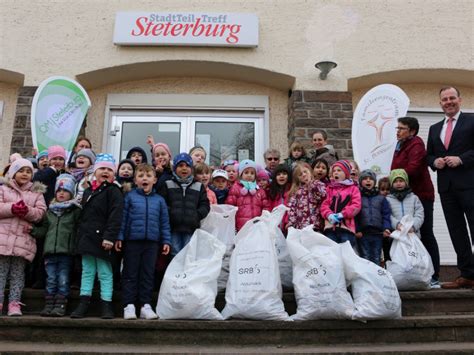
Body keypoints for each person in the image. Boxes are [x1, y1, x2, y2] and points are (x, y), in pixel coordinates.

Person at [427, 86, 474, 289]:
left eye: (452, 98)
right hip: (446, 188)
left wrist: (461, 159)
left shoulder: (472, 120)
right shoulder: (434, 128)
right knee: (457, 231)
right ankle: (467, 274)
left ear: (459, 100)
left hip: (470, 184)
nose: (449, 102)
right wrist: (434, 162)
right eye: (445, 99)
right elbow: (428, 155)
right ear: (440, 104)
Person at [71, 154, 124, 319]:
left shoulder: (114, 191)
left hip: (103, 240)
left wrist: (109, 237)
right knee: (87, 271)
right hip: (87, 238)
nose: (105, 172)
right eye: (102, 168)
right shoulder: (88, 191)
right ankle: (83, 302)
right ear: (95, 171)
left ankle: (106, 304)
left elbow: (116, 216)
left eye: (109, 169)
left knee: (104, 272)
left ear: (114, 173)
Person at [116, 164, 171, 320]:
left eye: (148, 176)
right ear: (135, 180)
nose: (144, 179)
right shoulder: (130, 197)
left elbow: (164, 223)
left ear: (154, 179)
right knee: (130, 274)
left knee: (148, 274)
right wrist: (120, 236)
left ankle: (145, 305)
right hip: (132, 241)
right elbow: (124, 219)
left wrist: (165, 240)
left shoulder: (159, 200)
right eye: (140, 176)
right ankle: (129, 305)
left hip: (152, 243)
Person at [392, 116, 441, 287]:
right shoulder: (400, 145)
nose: (397, 131)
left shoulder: (416, 145)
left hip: (421, 195)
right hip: (403, 196)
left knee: (426, 233)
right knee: (405, 233)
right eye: (397, 128)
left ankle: (434, 275)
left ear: (412, 131)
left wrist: (393, 177)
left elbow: (412, 169)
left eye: (401, 128)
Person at [0, 158, 46, 316]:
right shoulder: (3, 189)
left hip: (23, 240)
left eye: (28, 171)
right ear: (13, 173)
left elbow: (40, 213)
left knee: (18, 274)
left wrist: (27, 211)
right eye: (21, 171)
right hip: (3, 240)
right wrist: (12, 208)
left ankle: (14, 304)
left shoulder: (36, 193)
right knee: (1, 273)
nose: (25, 174)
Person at [33, 174, 81, 317]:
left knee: (63, 279)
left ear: (71, 193)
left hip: (65, 252)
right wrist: (33, 231)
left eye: (65, 191)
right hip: (49, 252)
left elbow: (78, 229)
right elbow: (44, 230)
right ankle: (49, 304)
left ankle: (60, 304)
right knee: (51, 279)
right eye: (59, 190)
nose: (61, 193)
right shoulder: (50, 211)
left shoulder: (74, 211)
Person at [158, 153, 210, 257]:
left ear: (192, 169)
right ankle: (174, 274)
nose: (184, 168)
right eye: (180, 165)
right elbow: (162, 203)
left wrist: (197, 215)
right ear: (175, 168)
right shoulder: (168, 184)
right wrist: (171, 214)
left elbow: (205, 205)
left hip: (191, 228)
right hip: (173, 228)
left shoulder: (198, 186)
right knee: (174, 254)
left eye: (187, 166)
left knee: (189, 255)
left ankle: (187, 274)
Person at [321, 160, 361, 246]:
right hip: (330, 228)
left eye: (339, 170)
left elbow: (356, 205)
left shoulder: (353, 189)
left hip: (346, 228)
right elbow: (324, 205)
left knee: (346, 254)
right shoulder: (329, 188)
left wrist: (342, 214)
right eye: (334, 171)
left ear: (346, 173)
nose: (336, 173)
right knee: (331, 254)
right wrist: (329, 214)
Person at [355, 170, 391, 266]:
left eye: (371, 179)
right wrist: (357, 229)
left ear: (374, 182)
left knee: (376, 257)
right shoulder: (357, 197)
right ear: (360, 181)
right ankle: (367, 279)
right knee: (365, 257)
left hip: (378, 234)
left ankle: (377, 279)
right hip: (363, 234)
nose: (368, 181)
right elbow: (355, 215)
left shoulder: (381, 198)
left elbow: (386, 215)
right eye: (365, 179)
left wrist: (386, 228)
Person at [226, 159, 269, 231]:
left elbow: (266, 206)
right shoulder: (235, 188)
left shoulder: (259, 190)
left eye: (252, 173)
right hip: (241, 225)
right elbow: (230, 206)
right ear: (241, 174)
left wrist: (264, 218)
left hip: (257, 224)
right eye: (246, 172)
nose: (249, 175)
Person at [287, 162, 326, 232]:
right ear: (297, 178)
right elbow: (291, 208)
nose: (304, 175)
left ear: (310, 171)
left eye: (305, 172)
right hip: (301, 226)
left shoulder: (318, 184)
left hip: (316, 224)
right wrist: (291, 223)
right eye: (300, 175)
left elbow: (322, 196)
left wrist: (311, 184)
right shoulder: (296, 190)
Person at [386, 169, 424, 239]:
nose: (398, 183)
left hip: (413, 235)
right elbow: (387, 215)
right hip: (396, 236)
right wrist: (397, 225)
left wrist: (413, 226)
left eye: (401, 181)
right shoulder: (388, 199)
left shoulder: (414, 198)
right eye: (395, 181)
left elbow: (420, 214)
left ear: (406, 182)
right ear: (391, 184)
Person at [267, 164, 292, 234]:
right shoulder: (272, 192)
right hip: (275, 228)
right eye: (278, 174)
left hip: (288, 227)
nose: (281, 176)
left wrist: (288, 221)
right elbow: (270, 209)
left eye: (284, 174)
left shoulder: (291, 191)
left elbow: (292, 208)